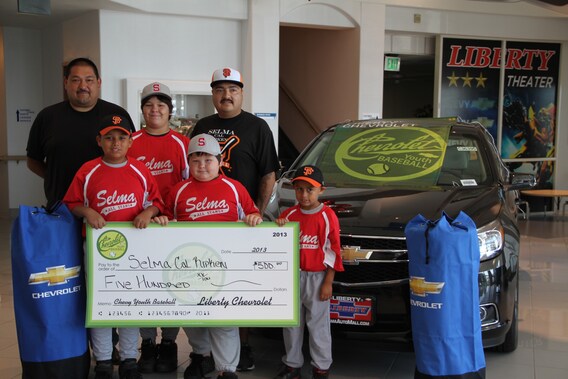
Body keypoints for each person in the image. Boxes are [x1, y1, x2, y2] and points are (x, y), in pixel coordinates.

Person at [190, 67, 280, 371]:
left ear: (242, 92)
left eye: (232, 89)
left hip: (240, 221)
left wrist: (255, 210)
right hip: (203, 218)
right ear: (213, 94)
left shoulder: (257, 127)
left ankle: (243, 346)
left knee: (237, 286)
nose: (226, 95)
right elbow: (190, 166)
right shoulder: (202, 125)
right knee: (203, 284)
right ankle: (202, 352)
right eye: (219, 89)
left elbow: (269, 172)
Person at [153, 133, 263, 379]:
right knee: (193, 317)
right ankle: (201, 356)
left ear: (220, 160)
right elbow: (167, 217)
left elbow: (253, 214)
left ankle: (227, 368)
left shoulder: (234, 188)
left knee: (224, 320)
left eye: (208, 160)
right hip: (189, 266)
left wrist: (253, 218)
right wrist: (161, 220)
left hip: (225, 267)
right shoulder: (179, 190)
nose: (202, 166)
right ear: (188, 162)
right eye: (195, 160)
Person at [63, 114, 164, 379]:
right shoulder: (88, 170)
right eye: (109, 138)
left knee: (129, 304)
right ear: (100, 141)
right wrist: (87, 212)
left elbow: (155, 201)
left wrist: (148, 213)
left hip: (134, 249)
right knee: (102, 304)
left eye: (122, 138)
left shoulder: (140, 170)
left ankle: (130, 358)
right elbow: (71, 203)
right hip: (99, 249)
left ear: (131, 142)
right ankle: (105, 360)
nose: (115, 143)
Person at [128, 82, 190, 374]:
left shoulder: (181, 142)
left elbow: (192, 182)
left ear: (169, 110)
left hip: (172, 224)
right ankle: (147, 342)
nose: (155, 110)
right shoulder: (131, 140)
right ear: (142, 111)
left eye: (161, 105)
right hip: (138, 224)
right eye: (149, 105)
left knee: (171, 286)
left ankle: (168, 342)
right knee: (143, 286)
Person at [26, 57, 136, 210]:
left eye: (89, 80)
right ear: (66, 83)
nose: (83, 86)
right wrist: (54, 178)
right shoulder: (48, 116)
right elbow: (33, 160)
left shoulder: (116, 114)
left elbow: (132, 157)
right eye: (76, 80)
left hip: (109, 208)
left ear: (98, 82)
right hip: (61, 208)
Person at [273, 165, 344, 379]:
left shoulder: (327, 215)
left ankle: (321, 367)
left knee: (318, 326)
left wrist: (328, 282)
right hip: (292, 277)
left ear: (321, 190)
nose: (304, 195)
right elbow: (277, 244)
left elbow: (333, 251)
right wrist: (279, 226)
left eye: (310, 189)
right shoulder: (289, 214)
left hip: (317, 277)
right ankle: (292, 365)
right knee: (292, 324)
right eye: (299, 189)